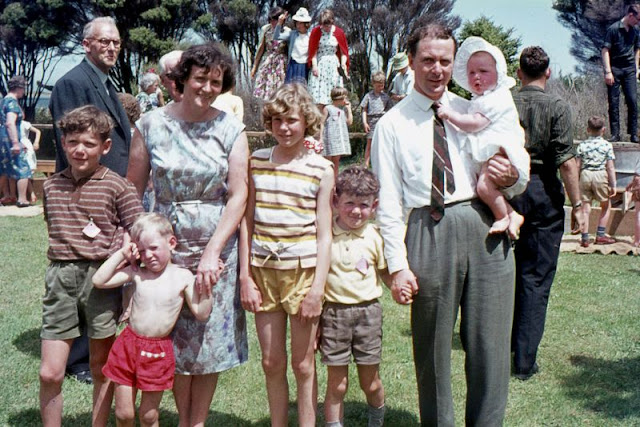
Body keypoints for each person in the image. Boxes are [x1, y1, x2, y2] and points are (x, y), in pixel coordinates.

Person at [371, 23, 528, 426]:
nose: (437, 69)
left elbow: (512, 159)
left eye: (445, 60)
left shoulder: (476, 107)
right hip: (429, 228)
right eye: (428, 60)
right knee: (433, 348)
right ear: (411, 62)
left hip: (485, 226)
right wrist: (397, 265)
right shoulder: (391, 125)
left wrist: (513, 175)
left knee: (491, 345)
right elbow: (388, 204)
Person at [127, 42, 249, 427]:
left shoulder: (231, 129)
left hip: (217, 248)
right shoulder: (150, 125)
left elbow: (239, 194)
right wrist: (138, 242)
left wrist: (214, 251)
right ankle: (183, 420)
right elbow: (133, 189)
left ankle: (198, 422)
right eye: (200, 79)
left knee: (209, 341)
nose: (208, 88)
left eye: (216, 81)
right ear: (183, 78)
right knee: (175, 338)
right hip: (166, 248)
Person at [38, 105, 144, 427]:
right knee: (50, 372)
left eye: (89, 143)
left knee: (100, 365)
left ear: (105, 147)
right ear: (63, 143)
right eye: (72, 142)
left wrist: (125, 256)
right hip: (60, 278)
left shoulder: (118, 186)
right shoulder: (51, 187)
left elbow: (138, 228)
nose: (79, 150)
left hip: (101, 279)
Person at [239, 83, 334, 427]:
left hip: (302, 273)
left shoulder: (321, 169)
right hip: (263, 272)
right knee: (271, 361)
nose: (284, 127)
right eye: (277, 120)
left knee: (303, 363)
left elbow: (325, 234)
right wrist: (245, 276)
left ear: (306, 121)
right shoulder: (256, 163)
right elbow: (247, 221)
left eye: (292, 120)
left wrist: (317, 289)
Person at [93, 213, 215, 427]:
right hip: (128, 346)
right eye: (141, 251)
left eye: (153, 248)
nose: (147, 255)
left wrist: (207, 287)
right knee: (124, 414)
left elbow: (201, 312)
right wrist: (122, 253)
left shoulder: (182, 277)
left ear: (172, 243)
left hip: (157, 352)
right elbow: (99, 280)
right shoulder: (137, 273)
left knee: (148, 416)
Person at [511, 46, 585, 381]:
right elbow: (566, 162)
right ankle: (524, 361)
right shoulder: (558, 106)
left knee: (507, 272)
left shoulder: (506, 103)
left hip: (507, 191)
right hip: (543, 192)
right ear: (548, 72)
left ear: (519, 73)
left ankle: (502, 346)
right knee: (536, 277)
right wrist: (578, 205)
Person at [320, 165, 405, 427]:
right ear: (336, 201)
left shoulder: (375, 237)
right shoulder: (325, 235)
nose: (356, 211)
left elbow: (385, 273)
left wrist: (398, 286)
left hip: (368, 315)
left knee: (371, 382)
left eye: (364, 205)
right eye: (349, 203)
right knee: (338, 384)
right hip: (334, 314)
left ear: (374, 206)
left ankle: (376, 421)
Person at [436, 36, 529, 239]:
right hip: (491, 152)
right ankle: (512, 214)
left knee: (484, 187)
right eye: (471, 73)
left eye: (483, 71)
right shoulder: (480, 100)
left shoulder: (497, 98)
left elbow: (474, 123)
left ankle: (502, 216)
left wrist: (450, 115)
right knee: (485, 186)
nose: (476, 77)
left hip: (499, 150)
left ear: (498, 73)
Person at [49, 16, 131, 177]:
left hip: (112, 183)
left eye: (116, 42)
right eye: (104, 42)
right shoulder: (72, 83)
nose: (112, 48)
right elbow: (73, 150)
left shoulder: (106, 83)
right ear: (86, 45)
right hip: (87, 187)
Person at [576, 116, 617, 247]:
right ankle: (600, 235)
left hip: (585, 174)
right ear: (603, 130)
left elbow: (577, 165)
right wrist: (613, 184)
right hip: (600, 174)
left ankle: (584, 237)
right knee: (605, 205)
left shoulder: (582, 145)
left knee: (585, 207)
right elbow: (610, 167)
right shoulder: (607, 145)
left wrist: (575, 181)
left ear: (588, 130)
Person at [602, 4, 640, 142]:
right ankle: (615, 134)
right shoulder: (613, 29)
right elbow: (605, 50)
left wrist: (636, 68)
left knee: (632, 100)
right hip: (615, 69)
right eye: (638, 19)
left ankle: (633, 133)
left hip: (629, 69)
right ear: (630, 15)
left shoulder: (635, 31)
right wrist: (608, 71)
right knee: (613, 102)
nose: (638, 22)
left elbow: (637, 49)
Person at [307, 9, 349, 108]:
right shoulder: (316, 32)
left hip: (333, 65)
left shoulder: (339, 32)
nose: (326, 28)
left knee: (334, 94)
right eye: (324, 25)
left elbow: (344, 52)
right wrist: (314, 66)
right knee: (319, 96)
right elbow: (313, 51)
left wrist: (343, 64)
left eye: (328, 25)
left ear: (332, 22)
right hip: (320, 64)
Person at [0, 76, 32, 207]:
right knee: (23, 168)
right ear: (19, 88)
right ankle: (22, 199)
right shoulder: (12, 103)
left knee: (3, 169)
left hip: (3, 139)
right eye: (23, 88)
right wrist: (15, 143)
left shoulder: (3, 101)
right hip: (10, 140)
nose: (24, 91)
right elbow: (10, 123)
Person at [251, 6, 288, 101]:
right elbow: (260, 49)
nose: (272, 22)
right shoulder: (266, 30)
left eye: (275, 20)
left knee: (279, 94)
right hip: (268, 64)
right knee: (266, 94)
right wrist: (255, 67)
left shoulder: (287, 31)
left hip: (280, 65)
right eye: (271, 20)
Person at [360, 71, 393, 167]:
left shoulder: (386, 97)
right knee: (369, 144)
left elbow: (390, 110)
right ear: (373, 84)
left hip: (382, 122)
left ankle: (382, 163)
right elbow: (364, 109)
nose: (380, 87)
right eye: (378, 86)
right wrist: (364, 122)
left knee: (382, 143)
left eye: (382, 85)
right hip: (371, 122)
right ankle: (366, 164)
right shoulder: (368, 96)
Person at [274, 7, 313, 84]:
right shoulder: (292, 34)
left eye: (301, 23)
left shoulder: (310, 35)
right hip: (293, 65)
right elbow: (276, 36)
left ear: (306, 23)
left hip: (305, 66)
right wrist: (279, 23)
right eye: (297, 23)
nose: (298, 25)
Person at [322, 87, 353, 175]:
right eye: (345, 97)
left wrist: (349, 109)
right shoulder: (328, 108)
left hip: (338, 140)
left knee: (336, 162)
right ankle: (327, 179)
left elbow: (349, 122)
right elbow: (321, 123)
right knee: (328, 163)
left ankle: (335, 180)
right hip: (329, 140)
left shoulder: (342, 111)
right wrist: (320, 138)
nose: (346, 100)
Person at [20, 118, 42, 203]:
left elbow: (37, 131)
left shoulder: (24, 123)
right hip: (15, 147)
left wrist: (36, 142)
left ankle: (31, 194)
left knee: (27, 172)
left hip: (25, 147)